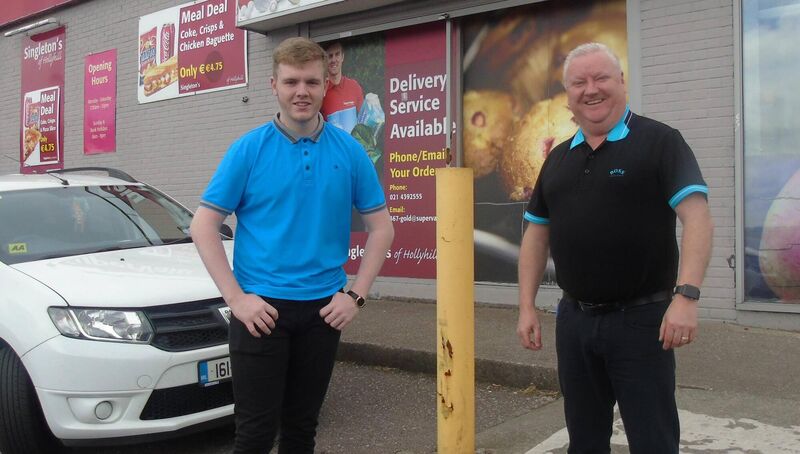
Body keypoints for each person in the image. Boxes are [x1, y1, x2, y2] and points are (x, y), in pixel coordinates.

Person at [191, 37, 394, 454]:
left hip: (323, 312)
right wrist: (237, 299)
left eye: (311, 82)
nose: (302, 91)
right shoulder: (248, 150)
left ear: (325, 86)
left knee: (302, 431)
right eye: (291, 82)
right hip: (260, 312)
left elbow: (382, 228)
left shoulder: (351, 151)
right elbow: (203, 226)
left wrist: (355, 296)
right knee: (254, 435)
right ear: (274, 85)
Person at [516, 42, 713, 454]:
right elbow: (535, 235)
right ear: (567, 95)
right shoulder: (556, 160)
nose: (591, 89)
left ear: (622, 82)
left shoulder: (660, 142)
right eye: (579, 82)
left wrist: (687, 297)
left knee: (653, 440)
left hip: (642, 322)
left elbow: (697, 218)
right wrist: (526, 306)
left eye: (601, 77)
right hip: (575, 322)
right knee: (584, 440)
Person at [321, 40, 364, 134]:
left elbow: (364, 122)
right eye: (330, 56)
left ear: (342, 57)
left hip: (352, 146)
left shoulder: (354, 86)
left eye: (337, 54)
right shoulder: (320, 91)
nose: (333, 60)